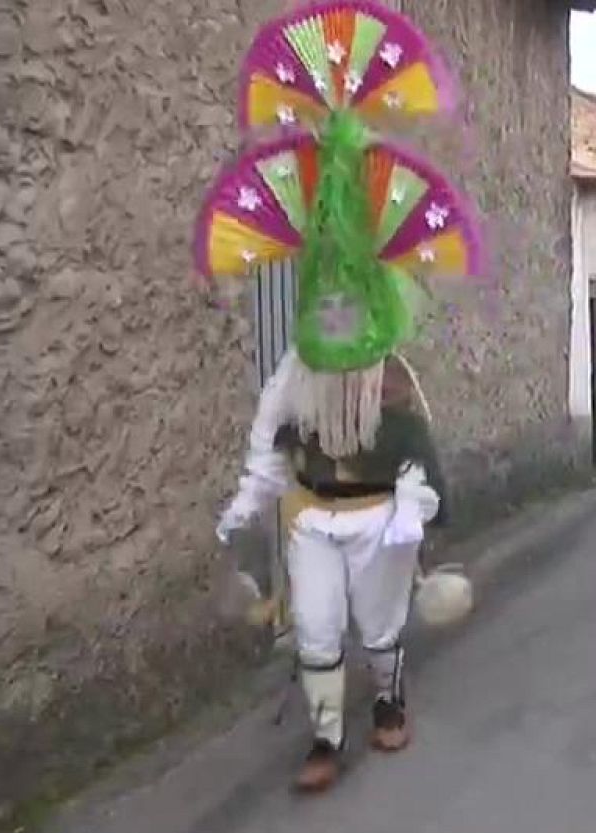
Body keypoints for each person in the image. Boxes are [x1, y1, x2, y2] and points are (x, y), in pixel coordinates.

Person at [197, 1, 481, 793]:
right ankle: (325, 738)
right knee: (317, 628)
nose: (331, 314)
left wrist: (413, 511)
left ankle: (389, 699)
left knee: (381, 627)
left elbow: (420, 462)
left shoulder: (391, 376)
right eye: (320, 304)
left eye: (343, 304)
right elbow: (266, 446)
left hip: (377, 522)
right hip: (312, 519)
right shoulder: (295, 369)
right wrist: (243, 511)